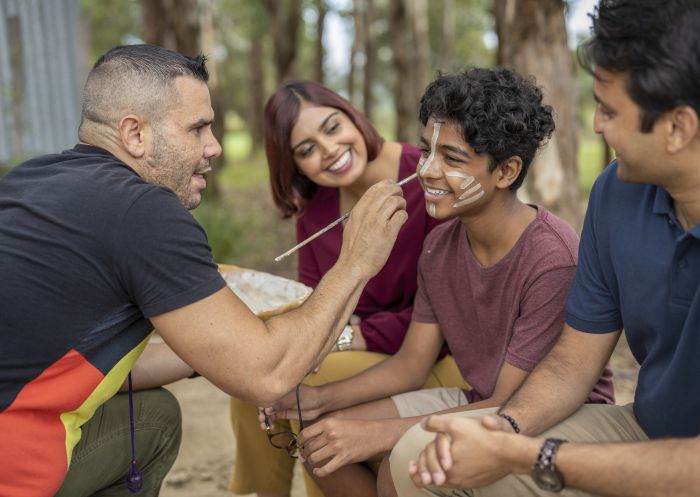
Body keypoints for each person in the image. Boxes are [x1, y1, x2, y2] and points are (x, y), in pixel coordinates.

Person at [0, 44, 408, 497]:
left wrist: (217, 350)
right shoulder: (142, 210)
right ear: (134, 134)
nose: (214, 146)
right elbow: (267, 376)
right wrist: (355, 261)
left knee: (153, 417)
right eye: (198, 128)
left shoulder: (28, 179)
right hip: (14, 464)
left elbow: (87, 362)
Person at [391, 1, 700, 496]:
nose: (596, 125)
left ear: (677, 127)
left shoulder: (548, 250)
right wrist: (503, 430)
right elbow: (572, 362)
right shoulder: (616, 193)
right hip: (641, 428)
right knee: (423, 455)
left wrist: (531, 454)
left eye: (610, 110)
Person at [263, 67, 615, 497]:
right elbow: (411, 364)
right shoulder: (440, 245)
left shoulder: (550, 258)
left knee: (401, 461)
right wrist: (319, 400)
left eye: (450, 159)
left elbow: (511, 404)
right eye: (427, 151)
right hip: (476, 399)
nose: (426, 171)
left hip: (542, 416)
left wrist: (379, 434)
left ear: (505, 172)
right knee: (320, 444)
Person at [229, 80, 467, 497]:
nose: (328, 150)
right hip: (364, 345)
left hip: (432, 351)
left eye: (332, 126)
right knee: (257, 381)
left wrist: (356, 335)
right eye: (305, 149)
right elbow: (313, 302)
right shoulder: (317, 209)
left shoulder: (427, 177)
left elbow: (450, 312)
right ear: (294, 164)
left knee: (296, 392)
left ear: (354, 117)